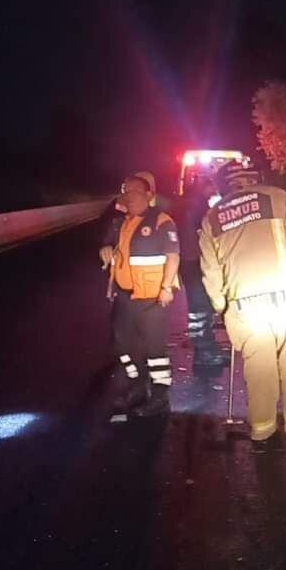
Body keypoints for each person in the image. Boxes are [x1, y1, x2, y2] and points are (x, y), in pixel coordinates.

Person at [198, 160, 286, 440]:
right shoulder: (277, 197)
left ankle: (262, 427)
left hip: (245, 306)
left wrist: (219, 303)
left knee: (259, 366)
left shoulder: (212, 217)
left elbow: (210, 268)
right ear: (253, 178)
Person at [99, 174, 180, 418]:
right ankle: (137, 386)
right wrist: (105, 248)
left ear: (148, 196)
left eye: (134, 192)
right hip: (125, 297)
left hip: (152, 299)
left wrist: (166, 287)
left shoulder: (160, 220)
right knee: (122, 344)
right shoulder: (121, 222)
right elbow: (111, 245)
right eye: (125, 191)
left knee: (155, 350)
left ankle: (159, 396)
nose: (128, 196)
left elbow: (173, 255)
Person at [172, 174, 224, 370]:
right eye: (213, 187)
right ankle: (205, 351)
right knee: (201, 308)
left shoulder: (186, 201)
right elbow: (202, 232)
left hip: (188, 260)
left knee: (199, 308)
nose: (215, 192)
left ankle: (204, 349)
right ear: (206, 186)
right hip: (195, 260)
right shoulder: (197, 205)